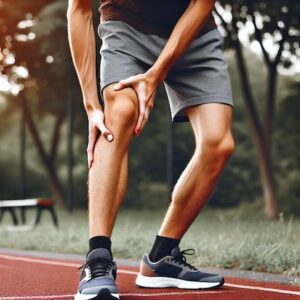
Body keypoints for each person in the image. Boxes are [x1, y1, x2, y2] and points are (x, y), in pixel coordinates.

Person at [67, 0, 235, 299]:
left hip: (192, 29)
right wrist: (92, 106)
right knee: (119, 113)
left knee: (218, 143)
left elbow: (203, 3)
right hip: (127, 26)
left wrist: (156, 74)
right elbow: (79, 9)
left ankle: (161, 258)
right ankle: (98, 259)